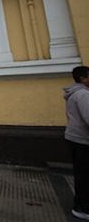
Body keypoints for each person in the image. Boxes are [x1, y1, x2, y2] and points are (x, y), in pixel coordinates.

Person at [64, 66, 89, 220]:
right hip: (82, 139)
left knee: (82, 174)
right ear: (82, 78)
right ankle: (83, 208)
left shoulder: (73, 94)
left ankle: (82, 206)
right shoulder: (83, 95)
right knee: (85, 176)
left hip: (75, 137)